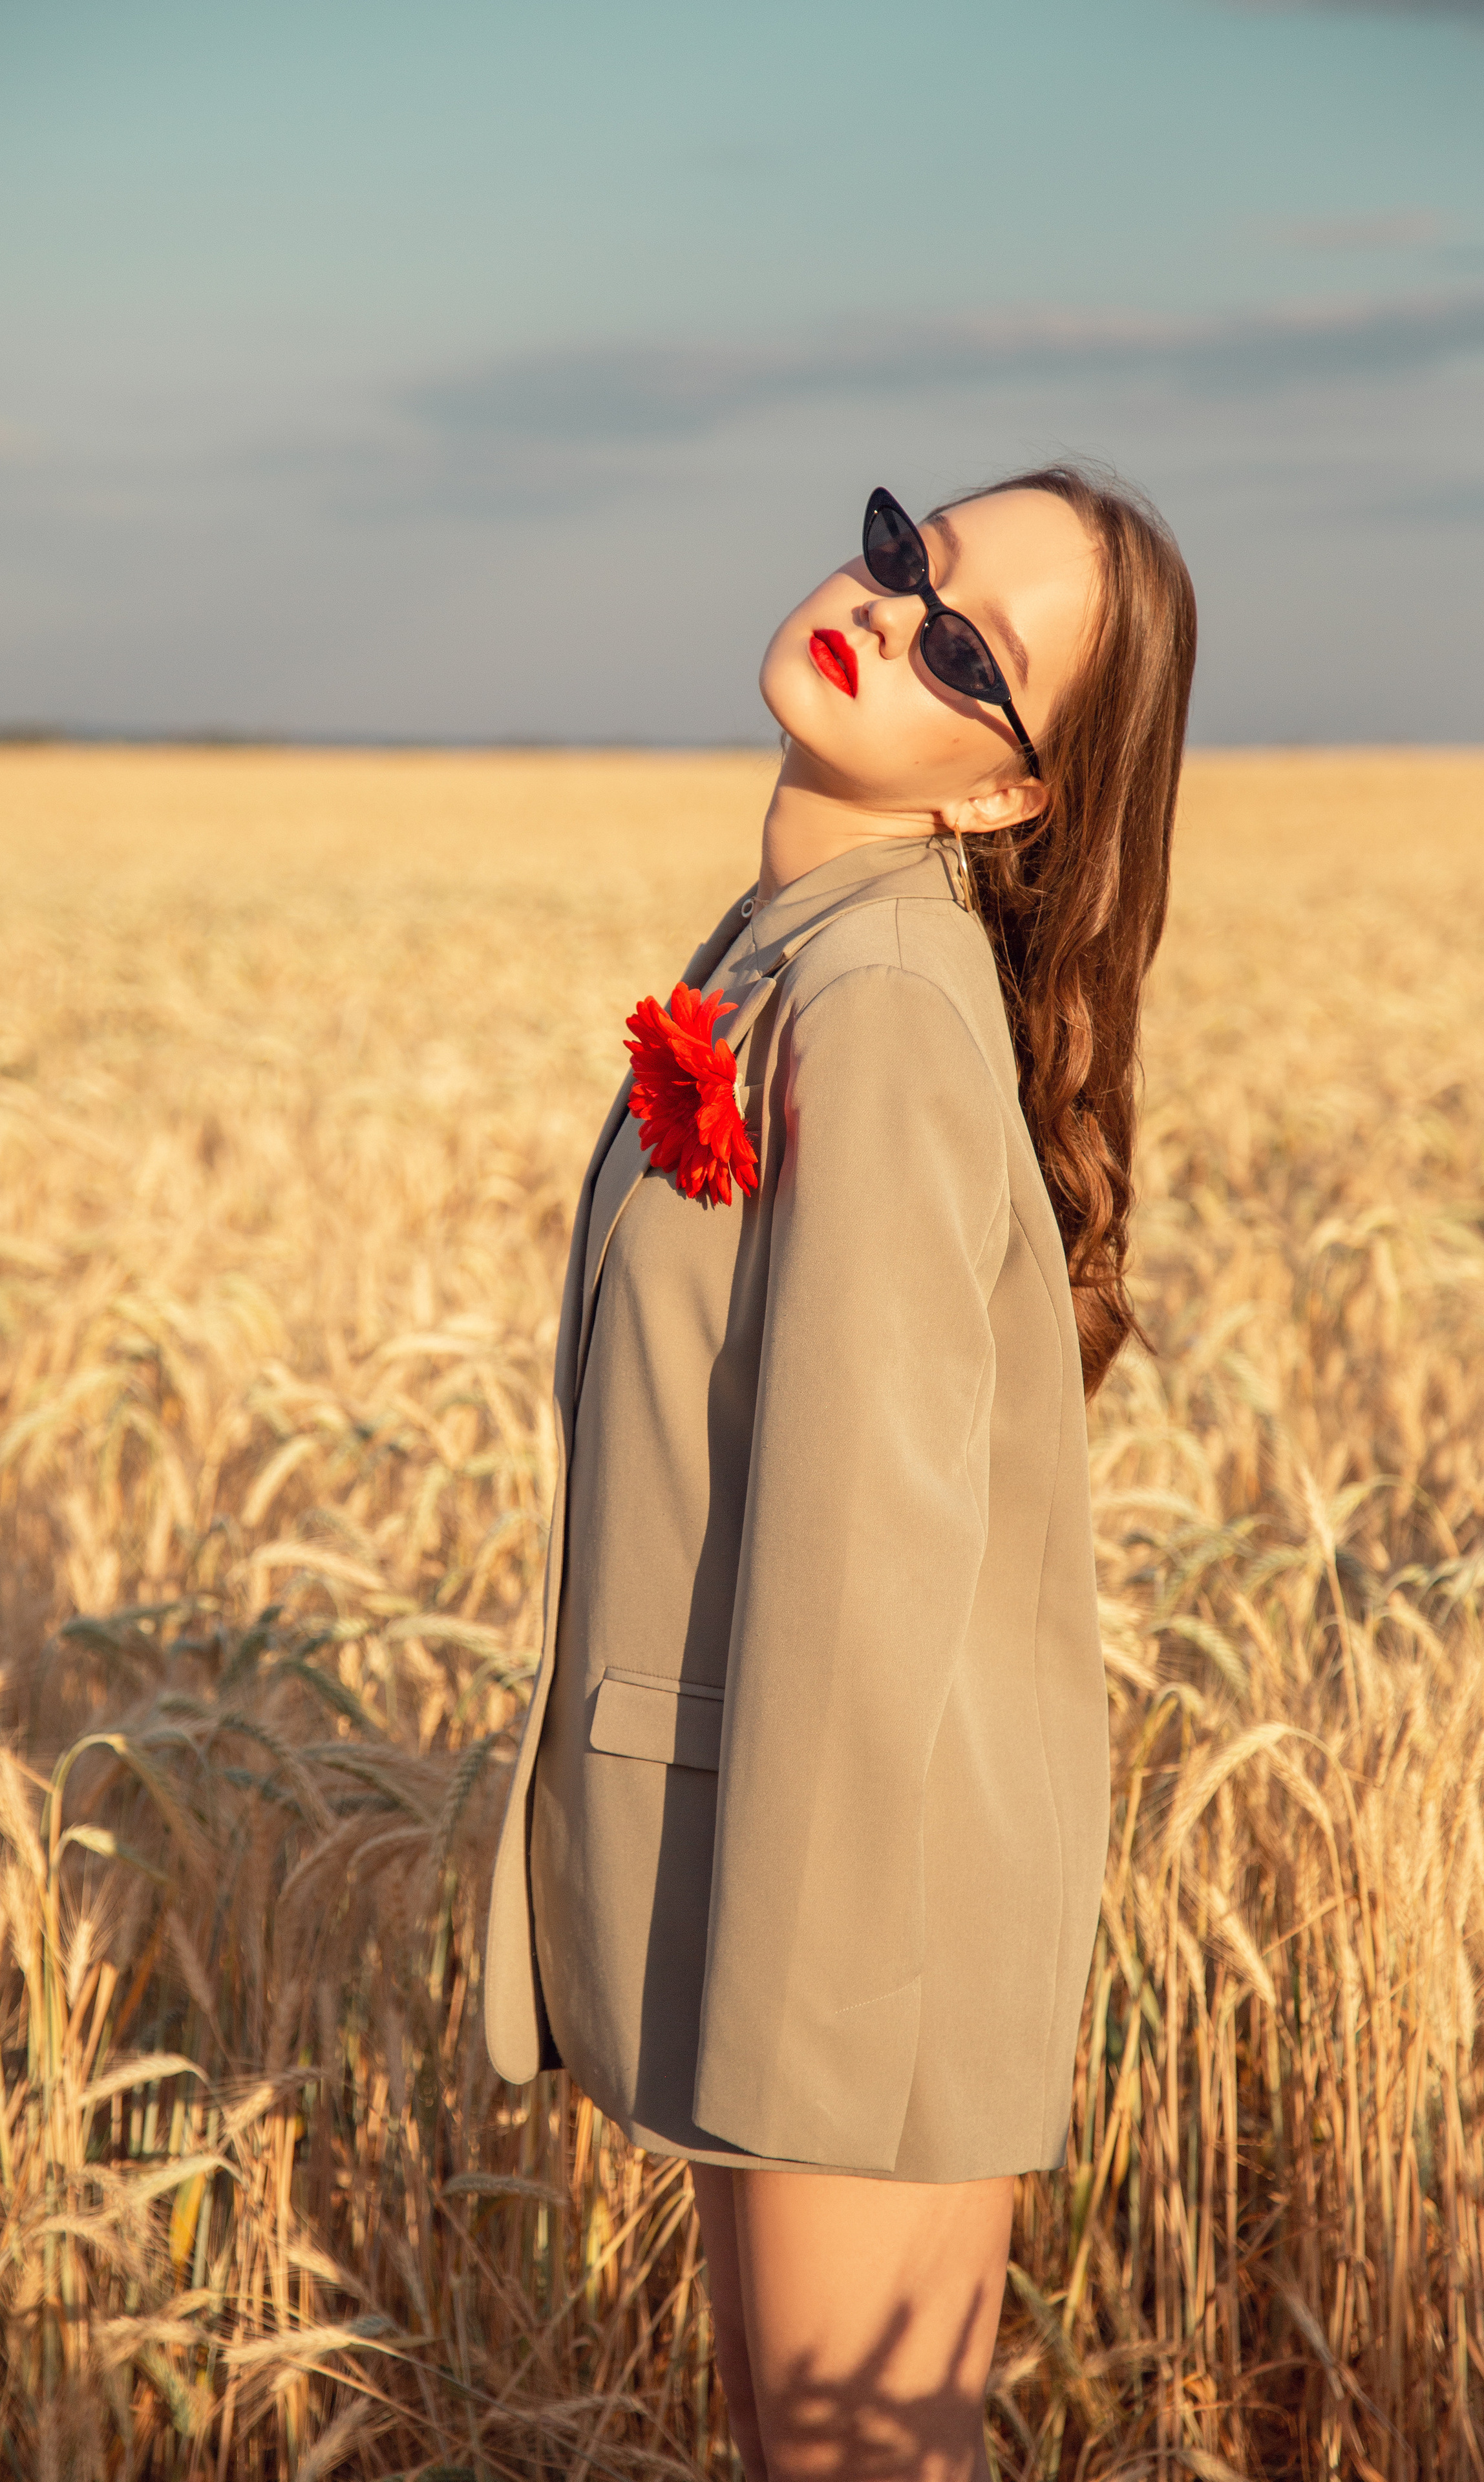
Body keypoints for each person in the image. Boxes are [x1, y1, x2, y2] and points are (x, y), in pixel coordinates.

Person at [484, 465, 1197, 2481]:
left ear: (1002, 797)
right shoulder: (801, 945)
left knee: (847, 2462)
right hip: (837, 1875)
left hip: (841, 1905)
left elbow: (865, 1560)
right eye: (909, 555)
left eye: (969, 652)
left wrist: (793, 2039)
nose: (889, 617)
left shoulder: (869, 1002)